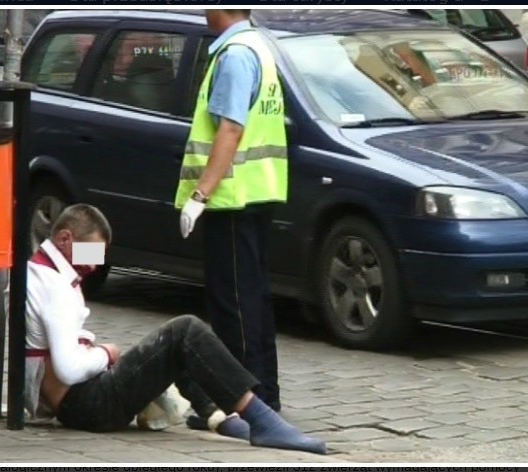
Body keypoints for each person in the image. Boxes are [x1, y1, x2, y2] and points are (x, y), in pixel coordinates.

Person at [24, 204, 326, 455]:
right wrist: (106, 352)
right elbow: (67, 370)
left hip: (78, 400)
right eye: (90, 254)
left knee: (171, 346)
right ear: (65, 238)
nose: (94, 266)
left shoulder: (40, 272)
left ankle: (219, 416)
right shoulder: (55, 287)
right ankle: (260, 419)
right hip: (86, 405)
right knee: (185, 330)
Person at [175, 9, 287, 415]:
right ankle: (264, 395)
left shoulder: (236, 54)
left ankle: (242, 402)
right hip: (258, 190)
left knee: (233, 303)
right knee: (253, 299)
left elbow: (231, 128)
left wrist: (200, 195)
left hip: (232, 196)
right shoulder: (258, 45)